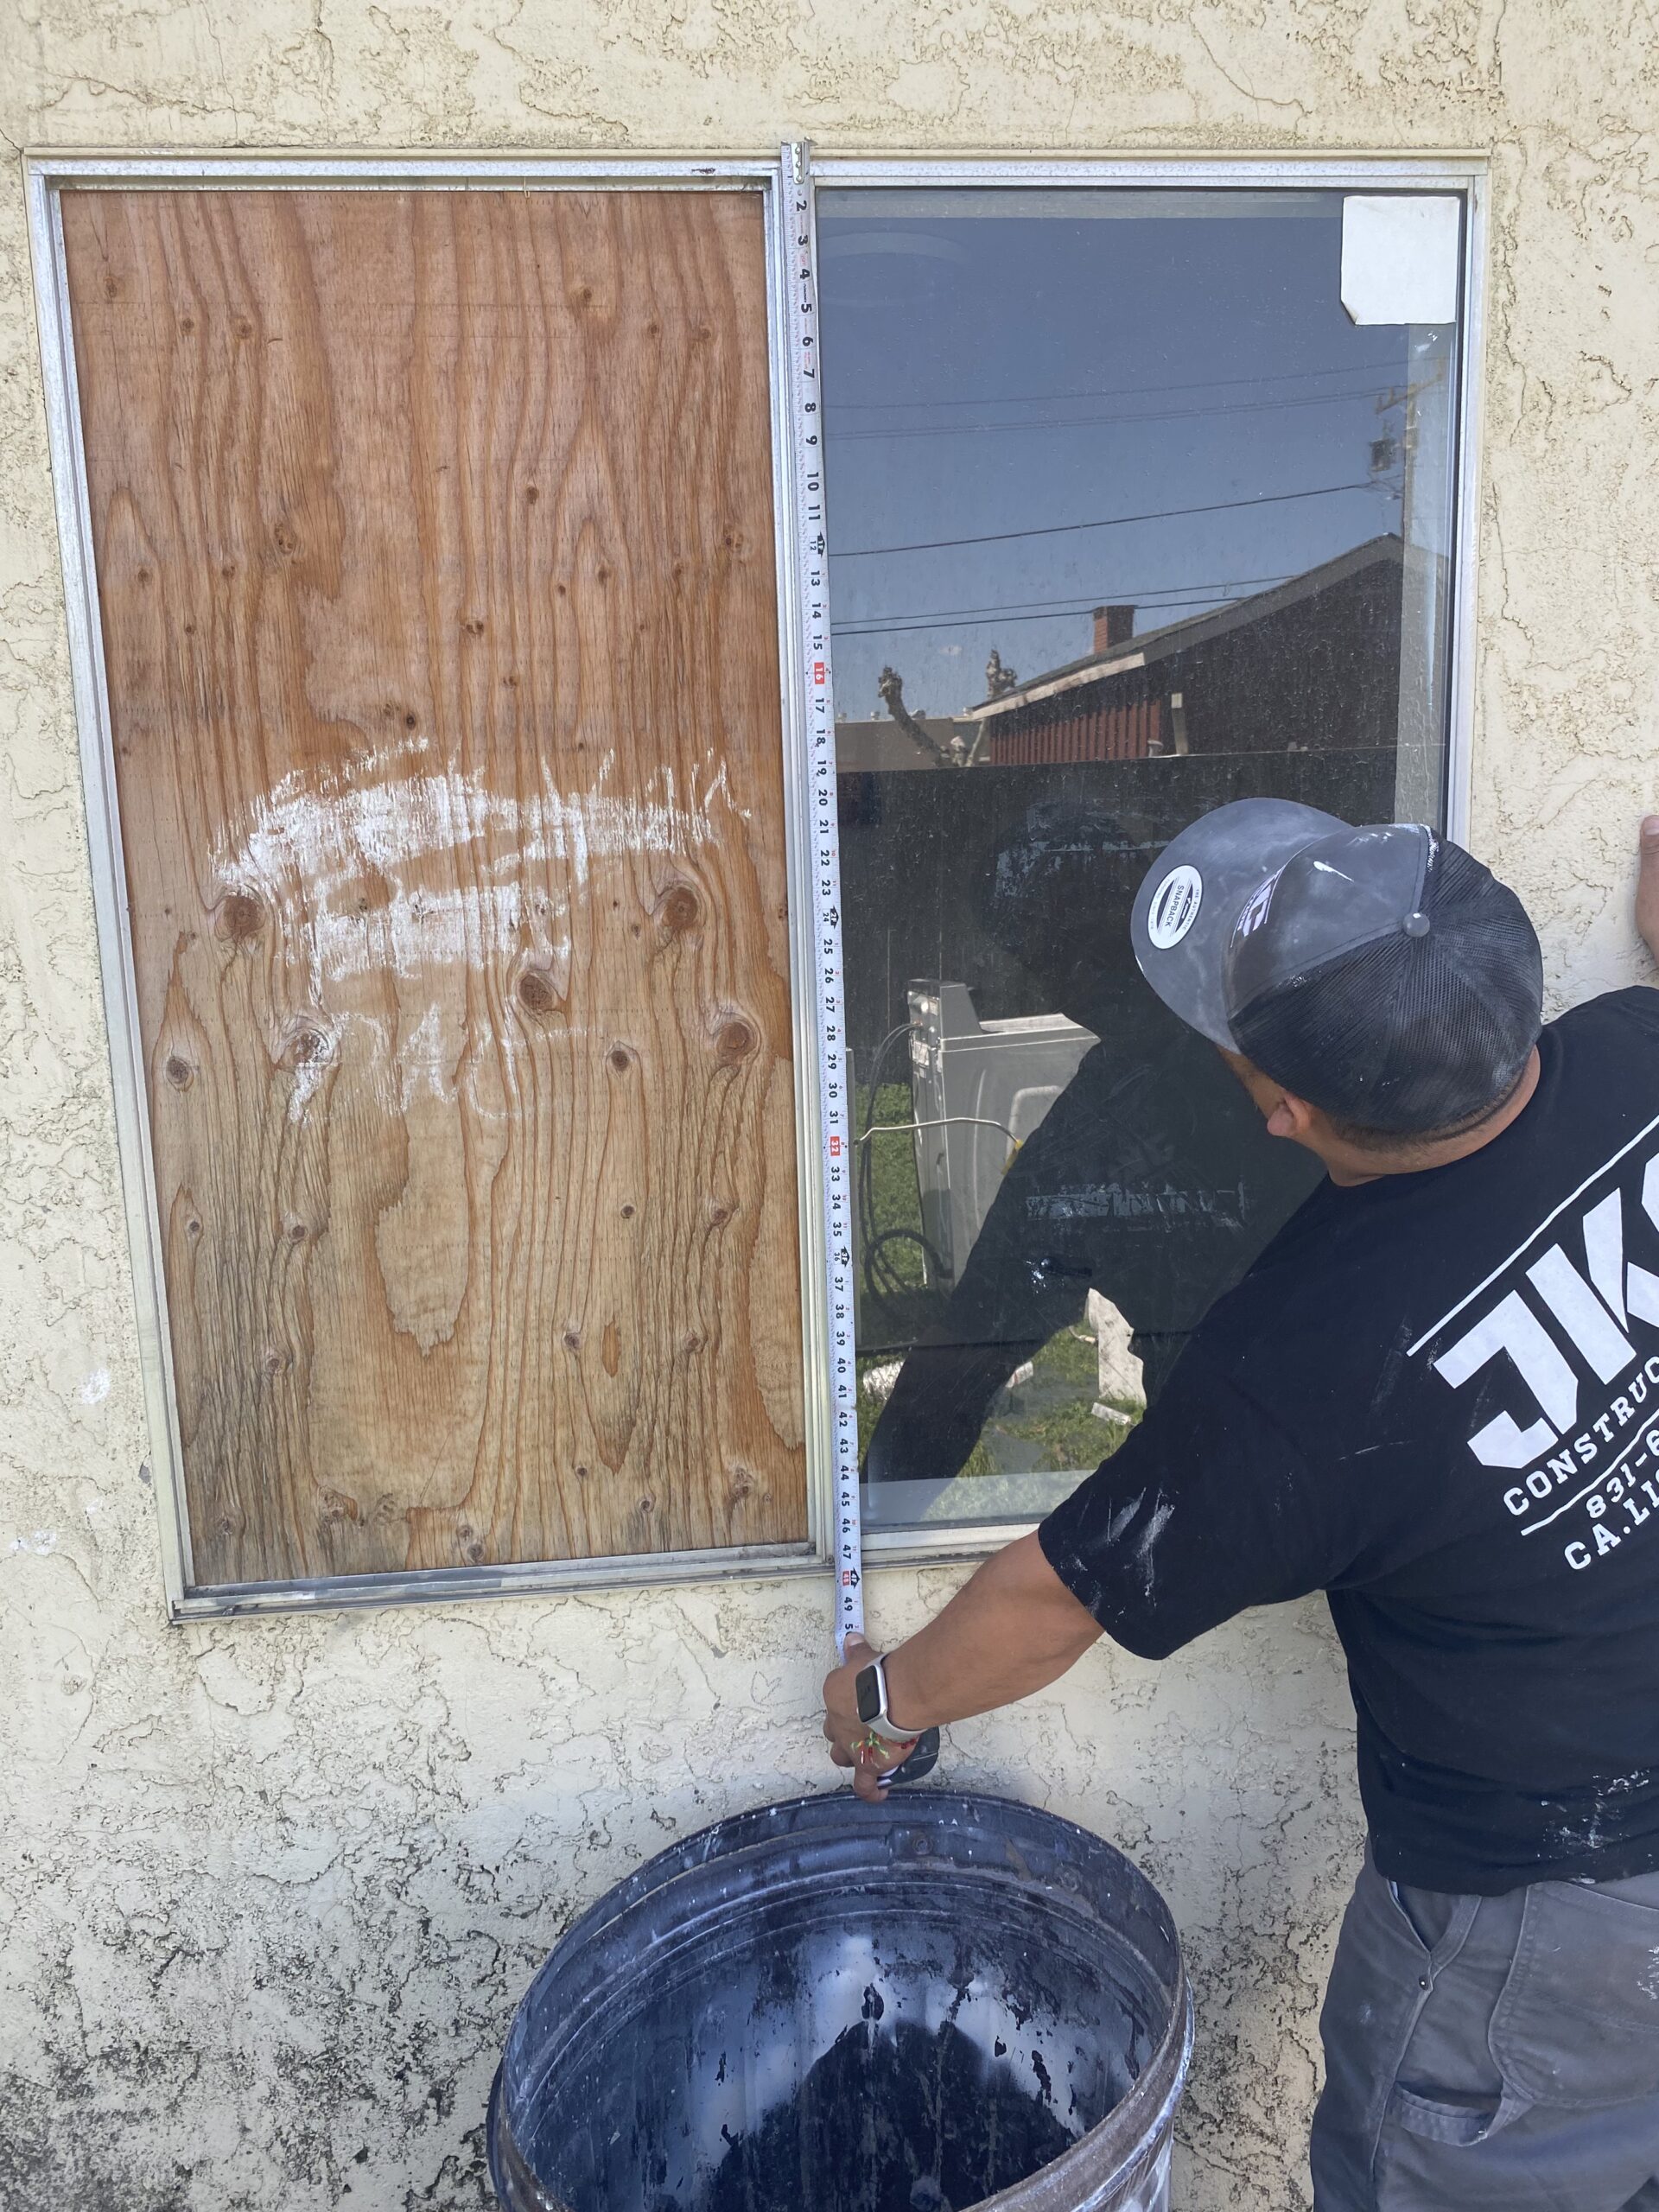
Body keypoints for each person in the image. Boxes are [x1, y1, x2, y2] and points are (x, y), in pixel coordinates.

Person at [824, 804, 1659, 2212]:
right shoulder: (1637, 1052)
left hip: (1546, 1928)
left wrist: (883, 1700)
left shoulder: (1304, 1369)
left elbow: (1050, 1597)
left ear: (1285, 1112)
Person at [862, 804, 1320, 1489]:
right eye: (1051, 958)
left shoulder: (1320, 1035)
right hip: (1254, 1455)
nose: (1080, 977)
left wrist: (878, 1510)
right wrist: (873, 1516)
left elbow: (958, 1365)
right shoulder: (1102, 1132)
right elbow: (959, 1363)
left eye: (1096, 934)